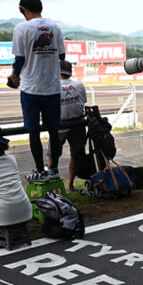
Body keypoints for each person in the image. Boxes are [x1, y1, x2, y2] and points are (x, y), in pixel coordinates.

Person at [7, 0, 66, 181]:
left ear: (23, 9)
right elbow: (62, 57)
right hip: (53, 88)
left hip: (31, 88)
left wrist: (15, 76)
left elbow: (20, 58)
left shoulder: (22, 28)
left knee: (34, 132)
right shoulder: (55, 27)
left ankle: (40, 171)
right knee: (53, 131)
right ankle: (54, 169)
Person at [57, 60, 87, 192]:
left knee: (53, 156)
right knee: (75, 154)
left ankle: (54, 190)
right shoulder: (79, 85)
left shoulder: (53, 86)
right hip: (77, 123)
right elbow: (83, 102)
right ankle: (70, 186)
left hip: (59, 124)